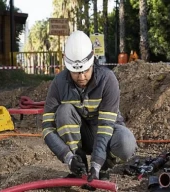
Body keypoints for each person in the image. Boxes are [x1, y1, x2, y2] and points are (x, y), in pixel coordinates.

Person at [42, 30, 137, 182]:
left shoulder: (107, 80)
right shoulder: (58, 83)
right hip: (80, 136)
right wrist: (68, 158)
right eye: (75, 72)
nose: (81, 77)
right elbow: (47, 128)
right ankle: (79, 167)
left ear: (92, 57)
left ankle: (104, 167)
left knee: (126, 143)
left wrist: (97, 163)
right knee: (64, 111)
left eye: (85, 70)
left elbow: (106, 125)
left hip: (105, 133)